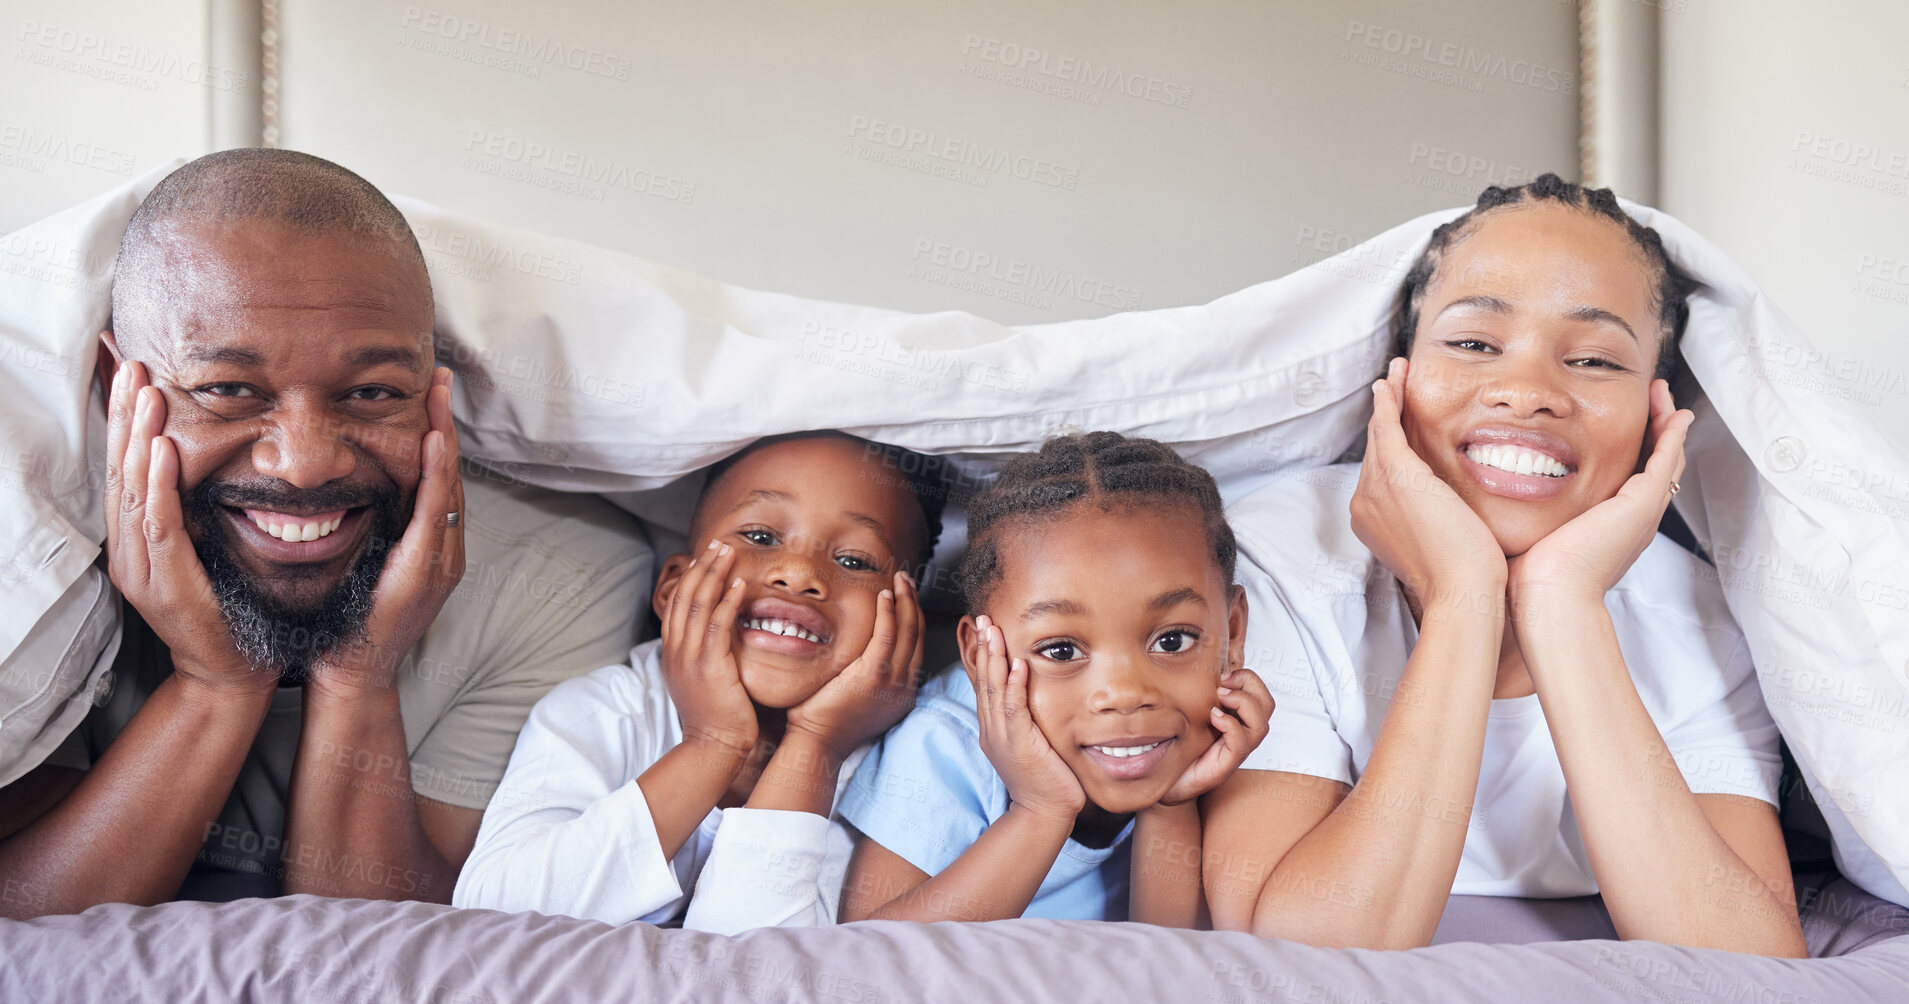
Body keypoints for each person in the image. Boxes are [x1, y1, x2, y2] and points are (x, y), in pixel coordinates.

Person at [0, 149, 649, 915]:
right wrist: (218, 684)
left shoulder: (564, 576)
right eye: (228, 390)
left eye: (372, 392)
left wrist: (360, 677)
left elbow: (399, 952)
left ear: (436, 392)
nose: (304, 464)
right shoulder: (44, 568)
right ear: (121, 390)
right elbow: (26, 926)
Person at [1202, 175, 1807, 955]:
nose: (1525, 392)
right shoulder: (1284, 556)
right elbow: (1306, 945)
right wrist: (1461, 597)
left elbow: (1750, 968)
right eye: (1473, 343)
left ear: (1658, 421)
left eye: (1592, 359)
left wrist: (1561, 604)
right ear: (1395, 384)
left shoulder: (1706, 621)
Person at [453, 433, 948, 931]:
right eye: (760, 536)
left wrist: (816, 748)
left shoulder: (912, 768)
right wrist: (714, 743)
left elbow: (760, 971)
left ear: (909, 630)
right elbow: (491, 915)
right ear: (672, 590)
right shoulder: (600, 712)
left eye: (854, 562)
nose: (799, 574)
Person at [838, 432, 1273, 926]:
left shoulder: (1216, 751)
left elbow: (1164, 970)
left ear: (1233, 633)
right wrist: (1040, 811)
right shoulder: (944, 747)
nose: (1126, 694)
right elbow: (869, 958)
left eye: (1172, 641)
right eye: (1062, 651)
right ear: (982, 658)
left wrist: (1171, 806)